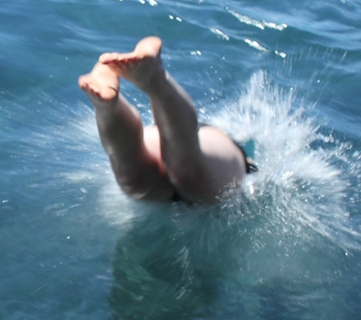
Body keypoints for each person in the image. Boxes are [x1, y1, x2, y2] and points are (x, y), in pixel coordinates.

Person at [79, 36, 255, 204]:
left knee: (133, 179)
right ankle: (154, 79)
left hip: (163, 138)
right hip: (203, 139)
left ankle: (107, 107)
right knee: (188, 171)